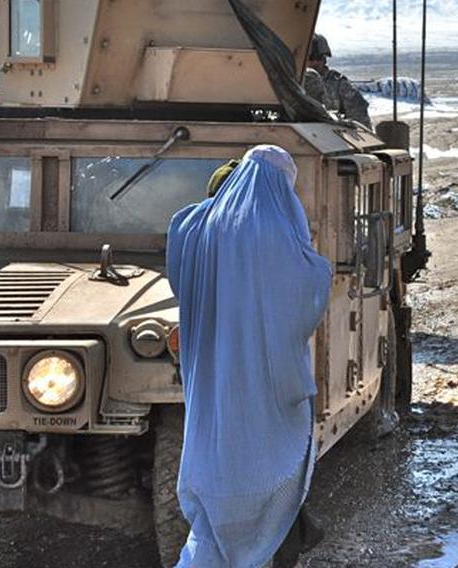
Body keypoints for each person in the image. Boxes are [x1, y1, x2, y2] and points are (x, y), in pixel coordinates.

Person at [166, 145, 332, 567]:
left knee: (210, 514)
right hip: (261, 396)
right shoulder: (274, 234)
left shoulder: (193, 226)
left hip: (211, 390)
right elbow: (307, 294)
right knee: (267, 492)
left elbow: (179, 274)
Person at [305, 33, 372, 129]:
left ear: (324, 59)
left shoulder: (339, 84)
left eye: (319, 58)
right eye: (310, 58)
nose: (315, 62)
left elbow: (361, 123)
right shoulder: (291, 84)